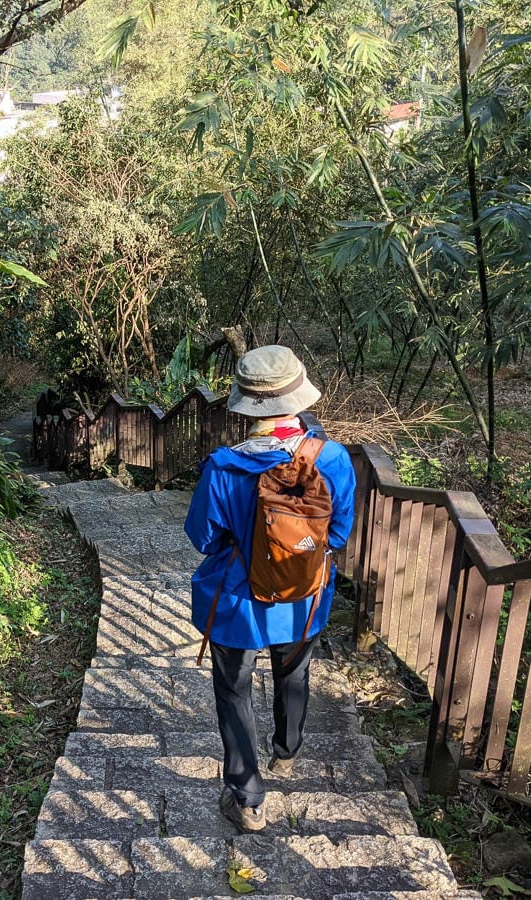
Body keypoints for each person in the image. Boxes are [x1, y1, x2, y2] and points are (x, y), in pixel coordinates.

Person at [184, 345, 356, 832]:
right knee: (294, 672)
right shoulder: (334, 458)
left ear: (245, 403)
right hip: (304, 598)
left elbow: (203, 538)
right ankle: (288, 752)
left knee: (234, 690)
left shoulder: (223, 466)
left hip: (238, 601)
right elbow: (337, 534)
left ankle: (247, 797)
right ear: (298, 397)